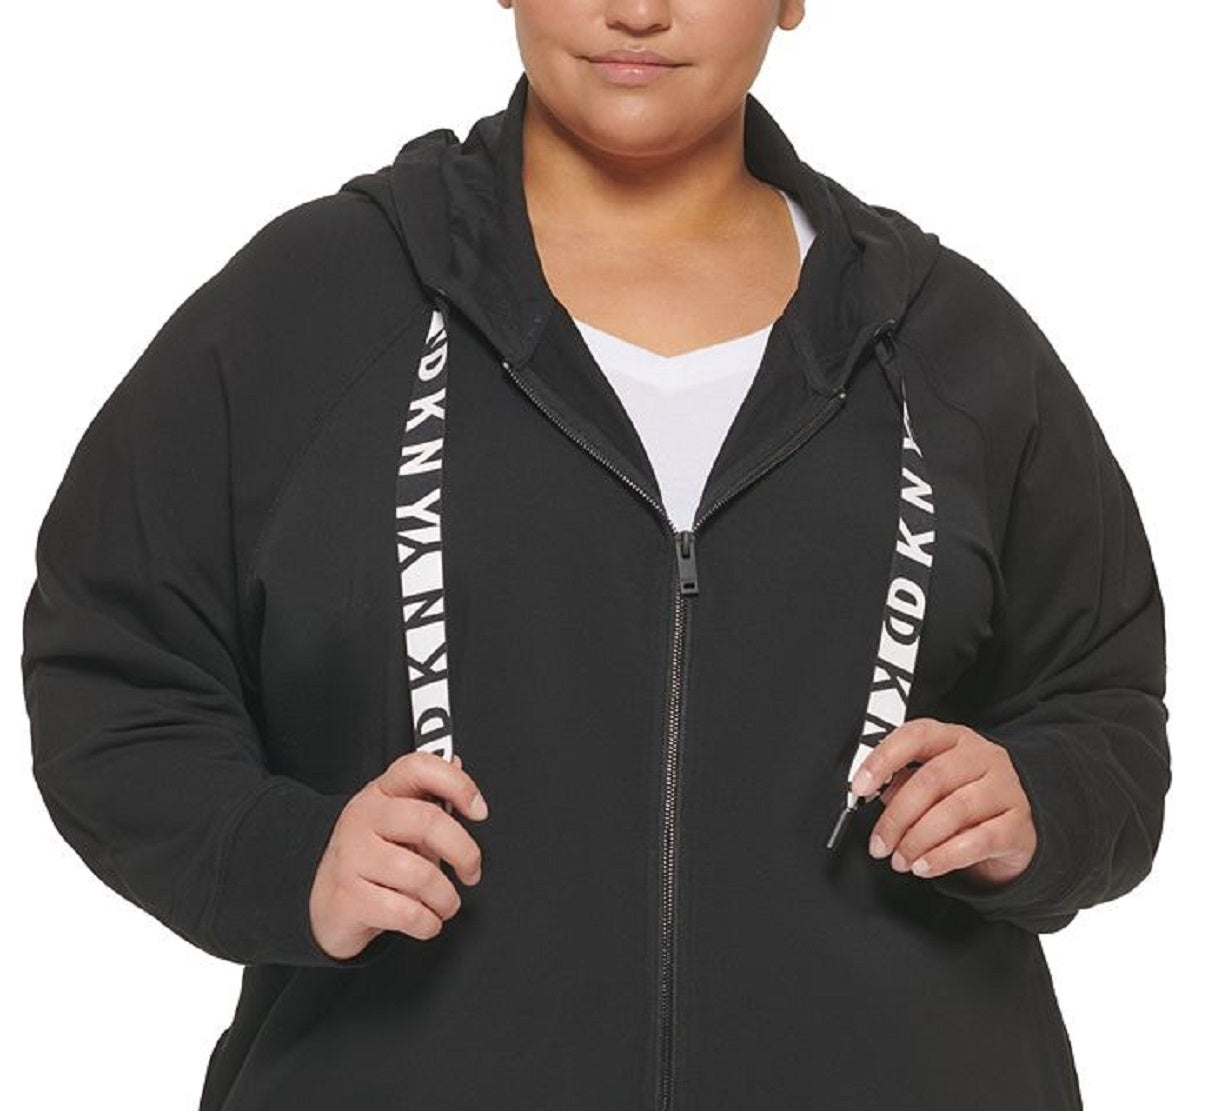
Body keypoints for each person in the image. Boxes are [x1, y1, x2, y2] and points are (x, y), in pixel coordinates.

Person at [21, 2, 1170, 1109]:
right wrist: (290, 862)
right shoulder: (315, 307)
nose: (637, 9)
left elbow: (1102, 704)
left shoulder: (950, 345)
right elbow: (114, 660)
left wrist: (1035, 806)